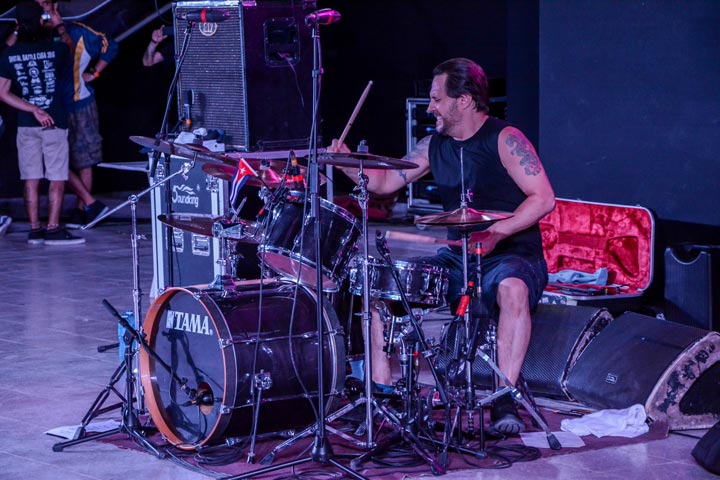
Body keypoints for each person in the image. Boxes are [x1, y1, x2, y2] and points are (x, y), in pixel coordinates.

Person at [329, 58, 555, 435]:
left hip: (512, 253)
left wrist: (499, 231)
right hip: (459, 256)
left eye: (436, 99)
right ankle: (382, 394)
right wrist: (346, 161)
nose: (430, 106)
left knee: (511, 289)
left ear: (463, 100)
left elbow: (543, 198)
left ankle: (503, 398)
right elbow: (384, 184)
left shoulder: (505, 138)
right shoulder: (432, 145)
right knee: (384, 289)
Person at [0, 1, 83, 245]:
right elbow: (70, 47)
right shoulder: (55, 48)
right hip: (54, 120)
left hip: (27, 123)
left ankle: (35, 229)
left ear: (17, 24)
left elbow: (2, 93)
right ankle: (53, 228)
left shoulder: (8, 55)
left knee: (31, 178)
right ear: (41, 21)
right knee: (57, 177)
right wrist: (59, 27)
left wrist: (32, 109)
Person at [32, 0, 118, 228]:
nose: (43, 9)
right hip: (50, 108)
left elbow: (111, 45)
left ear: (55, 6)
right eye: (38, 5)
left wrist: (96, 74)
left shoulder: (78, 31)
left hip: (80, 104)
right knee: (54, 160)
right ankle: (88, 204)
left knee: (84, 159)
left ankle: (84, 210)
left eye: (46, 4)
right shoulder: (34, 34)